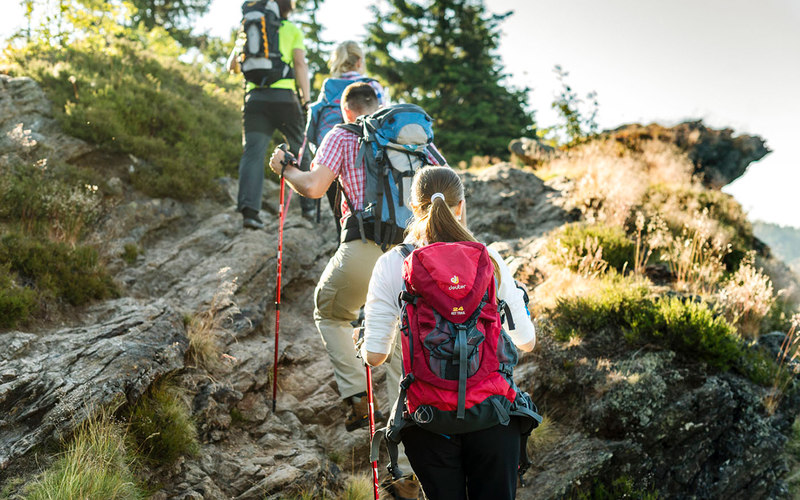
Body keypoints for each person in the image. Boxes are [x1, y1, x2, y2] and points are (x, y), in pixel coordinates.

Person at [270, 82, 445, 499]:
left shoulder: (343, 134)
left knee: (330, 312)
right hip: (417, 259)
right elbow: (448, 190)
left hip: (365, 248)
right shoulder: (417, 142)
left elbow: (314, 186)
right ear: (380, 107)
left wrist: (284, 168)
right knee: (406, 363)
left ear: (346, 110)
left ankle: (354, 395)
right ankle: (406, 473)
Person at [359, 166, 536, 500]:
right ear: (461, 205)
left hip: (429, 420)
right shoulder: (489, 258)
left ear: (413, 207)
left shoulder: (392, 264)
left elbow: (376, 356)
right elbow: (526, 341)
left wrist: (363, 343)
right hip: (493, 414)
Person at [226, 0, 316, 229]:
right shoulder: (291, 30)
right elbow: (300, 64)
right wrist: (306, 100)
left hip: (255, 99)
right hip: (284, 98)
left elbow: (232, 67)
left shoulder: (249, 27)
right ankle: (309, 208)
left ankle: (250, 214)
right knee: (299, 147)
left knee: (253, 153)